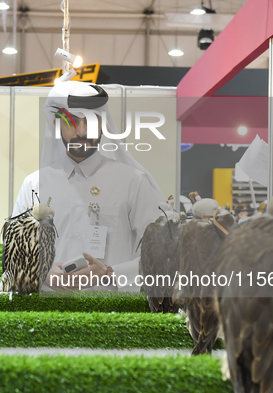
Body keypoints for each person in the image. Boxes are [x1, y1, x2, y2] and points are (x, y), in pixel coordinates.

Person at [12, 81, 165, 292]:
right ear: (57, 125)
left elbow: (162, 255)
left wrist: (108, 274)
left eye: (91, 122)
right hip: (46, 314)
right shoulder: (34, 184)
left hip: (112, 316)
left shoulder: (133, 182)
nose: (82, 132)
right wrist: (41, 273)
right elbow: (15, 255)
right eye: (72, 121)